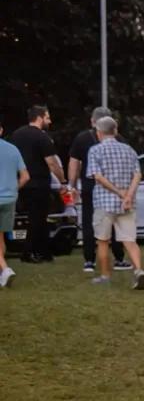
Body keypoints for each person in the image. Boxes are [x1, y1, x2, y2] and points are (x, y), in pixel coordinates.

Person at [86, 116, 144, 289]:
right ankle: (138, 269)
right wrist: (128, 195)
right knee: (129, 240)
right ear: (115, 131)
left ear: (98, 132)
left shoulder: (95, 150)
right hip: (126, 204)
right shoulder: (129, 150)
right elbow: (137, 175)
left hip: (104, 203)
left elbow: (98, 177)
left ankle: (105, 276)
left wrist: (118, 192)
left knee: (103, 240)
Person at [68, 107, 128, 273]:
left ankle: (89, 260)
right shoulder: (119, 139)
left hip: (90, 186)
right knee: (115, 222)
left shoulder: (82, 138)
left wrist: (72, 185)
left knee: (89, 222)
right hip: (113, 187)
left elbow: (74, 164)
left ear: (92, 121)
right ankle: (119, 258)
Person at [10, 105, 66, 263]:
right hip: (39, 183)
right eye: (47, 117)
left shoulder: (16, 135)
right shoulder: (42, 137)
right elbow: (52, 163)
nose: (50, 121)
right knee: (38, 219)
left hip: (21, 182)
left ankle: (44, 251)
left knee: (36, 218)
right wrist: (62, 181)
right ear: (39, 118)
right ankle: (28, 252)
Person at [0, 120, 30, 288]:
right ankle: (2, 274)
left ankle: (5, 269)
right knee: (0, 237)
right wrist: (13, 189)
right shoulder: (13, 149)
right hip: (9, 199)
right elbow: (25, 176)